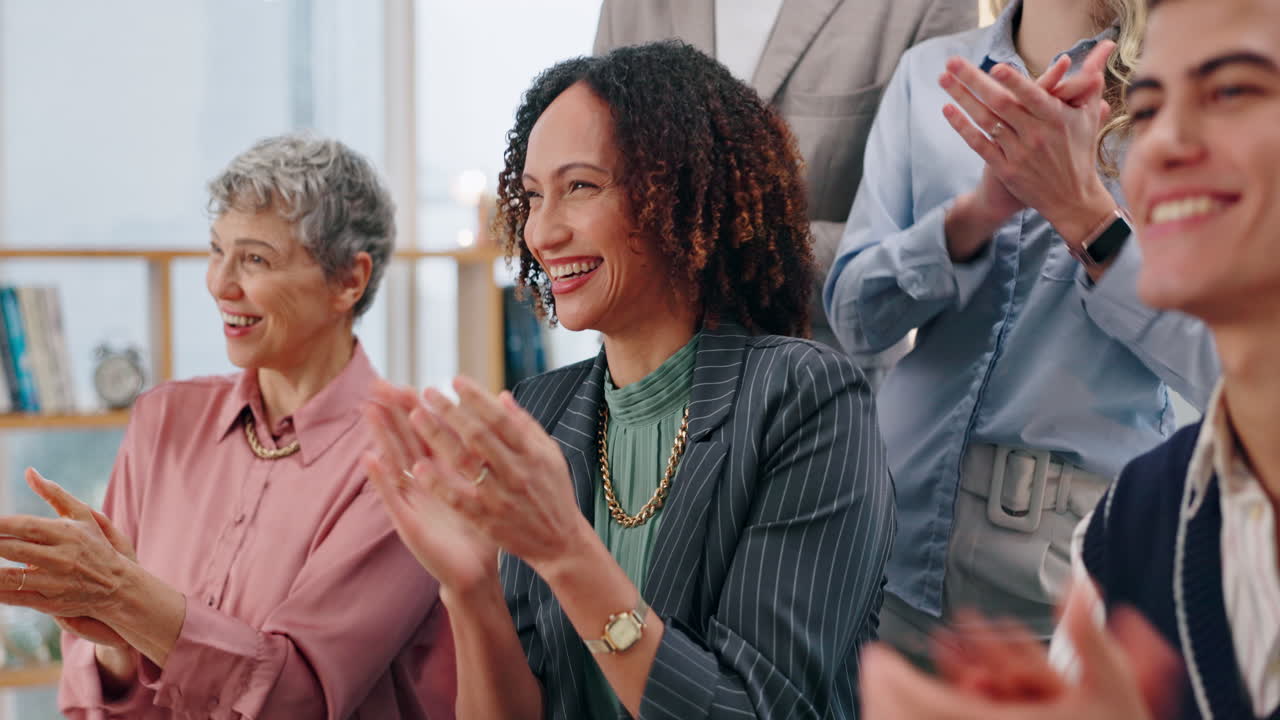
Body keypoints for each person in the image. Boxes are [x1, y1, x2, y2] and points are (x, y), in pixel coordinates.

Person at [364, 41, 894, 719]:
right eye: (531, 197)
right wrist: (470, 591)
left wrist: (565, 552)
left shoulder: (805, 402)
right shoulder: (541, 414)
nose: (541, 232)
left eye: (580, 187)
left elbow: (761, 710)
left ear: (679, 194)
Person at [860, 0, 1280, 716]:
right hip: (896, 539)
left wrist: (1086, 216)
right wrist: (974, 220)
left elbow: (1221, 360)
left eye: (1230, 91)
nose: (1170, 139)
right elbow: (858, 314)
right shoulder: (1142, 528)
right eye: (1147, 110)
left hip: (1057, 551)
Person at [0, 135, 456, 718]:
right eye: (218, 251)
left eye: (256, 259)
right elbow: (91, 697)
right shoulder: (162, 420)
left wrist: (124, 596)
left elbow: (300, 699)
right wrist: (112, 637)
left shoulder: (405, 459)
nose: (220, 283)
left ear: (349, 280)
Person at [594, 0, 977, 384]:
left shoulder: (924, 7)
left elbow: (927, 238)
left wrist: (737, 246)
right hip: (645, 387)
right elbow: (598, 182)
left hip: (819, 394)